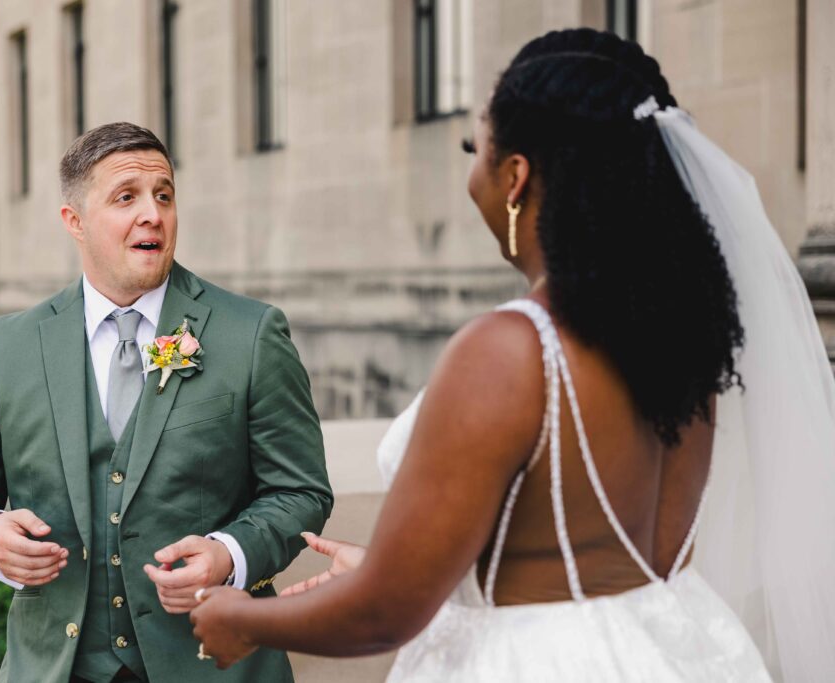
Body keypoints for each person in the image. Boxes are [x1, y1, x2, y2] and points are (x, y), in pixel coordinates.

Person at [188, 29, 835, 681]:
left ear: (515, 175)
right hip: (672, 651)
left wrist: (240, 618)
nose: (472, 172)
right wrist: (430, 570)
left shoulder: (509, 350)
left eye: (476, 148)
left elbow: (386, 611)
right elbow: (628, 562)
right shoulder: (683, 334)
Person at [0, 122, 334, 682]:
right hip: (56, 668)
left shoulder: (252, 334)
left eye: (163, 195)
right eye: (126, 198)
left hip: (216, 665)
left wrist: (229, 554)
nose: (153, 214)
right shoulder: (11, 346)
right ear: (75, 222)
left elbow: (300, 490)